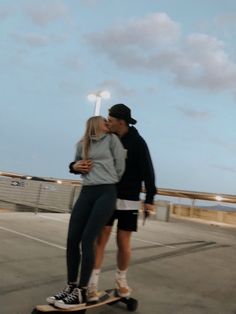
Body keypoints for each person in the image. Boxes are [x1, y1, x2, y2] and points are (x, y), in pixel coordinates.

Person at [76, 104, 157, 302]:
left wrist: (149, 199)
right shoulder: (106, 139)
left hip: (129, 200)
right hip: (108, 195)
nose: (107, 122)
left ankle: (121, 281)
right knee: (100, 240)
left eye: (110, 120)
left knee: (123, 242)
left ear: (121, 122)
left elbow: (148, 172)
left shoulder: (138, 142)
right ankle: (92, 284)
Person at [46, 116, 125, 309]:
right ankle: (71, 286)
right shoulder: (82, 144)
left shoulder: (112, 140)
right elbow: (75, 165)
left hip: (106, 191)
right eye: (104, 121)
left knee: (87, 240)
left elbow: (120, 166)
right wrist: (75, 166)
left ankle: (82, 291)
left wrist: (108, 176)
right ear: (95, 124)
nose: (108, 123)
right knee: (72, 239)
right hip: (87, 191)